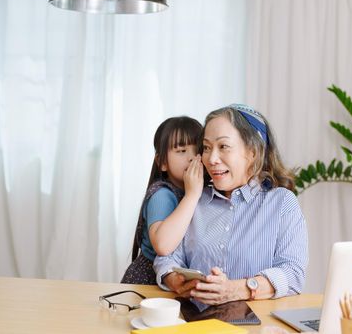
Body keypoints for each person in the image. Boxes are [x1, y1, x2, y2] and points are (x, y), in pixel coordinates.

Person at [154, 104, 308, 305]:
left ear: (253, 152)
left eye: (223, 146)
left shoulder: (282, 203)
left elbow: (293, 273)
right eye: (207, 148)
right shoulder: (193, 200)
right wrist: (177, 281)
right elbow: (166, 259)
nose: (212, 159)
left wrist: (240, 289)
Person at [121, 116, 204, 285]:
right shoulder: (162, 195)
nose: (191, 158)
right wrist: (192, 195)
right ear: (162, 162)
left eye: (198, 151)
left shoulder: (202, 192)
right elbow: (163, 246)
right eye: (181, 151)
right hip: (148, 283)